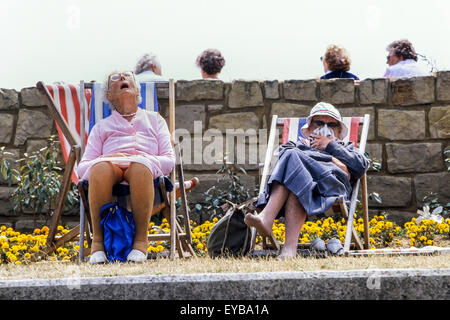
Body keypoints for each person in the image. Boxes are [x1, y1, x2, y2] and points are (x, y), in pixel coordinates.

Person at [244, 102, 369, 258]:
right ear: (309, 128)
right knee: (296, 173)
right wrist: (335, 161)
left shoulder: (346, 147)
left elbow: (361, 166)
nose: (325, 127)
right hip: (305, 186)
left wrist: (330, 148)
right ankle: (289, 250)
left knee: (293, 157)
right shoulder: (295, 145)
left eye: (331, 124)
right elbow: (281, 157)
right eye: (319, 123)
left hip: (330, 187)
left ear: (338, 131)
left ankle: (266, 218)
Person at [77, 70, 175, 263]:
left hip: (145, 174)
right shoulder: (101, 127)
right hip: (109, 172)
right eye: (115, 77)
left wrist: (142, 159)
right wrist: (110, 158)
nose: (122, 78)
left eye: (127, 76)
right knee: (99, 168)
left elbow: (169, 160)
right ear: (109, 96)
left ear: (137, 90)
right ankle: (98, 244)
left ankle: (140, 243)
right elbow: (82, 169)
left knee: (139, 167)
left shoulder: (155, 120)